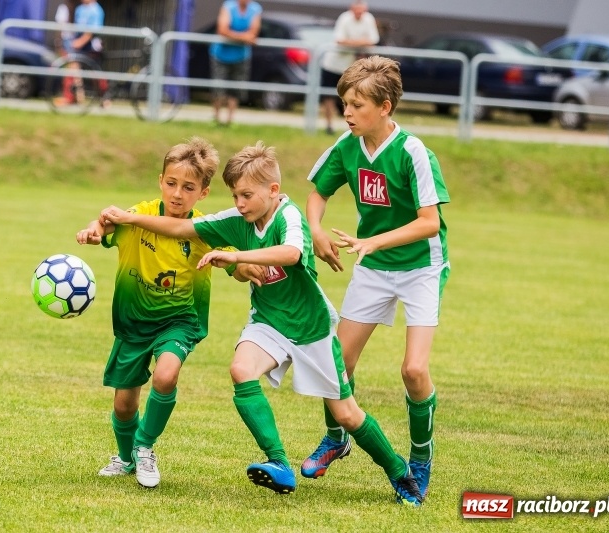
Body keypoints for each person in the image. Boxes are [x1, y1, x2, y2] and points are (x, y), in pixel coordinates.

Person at [99, 141, 423, 505]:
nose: (239, 204)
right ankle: (279, 462)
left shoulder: (288, 217)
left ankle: (400, 473)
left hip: (310, 328)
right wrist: (127, 219)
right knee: (240, 369)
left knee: (347, 415)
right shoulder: (238, 220)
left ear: (273, 191)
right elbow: (178, 230)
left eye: (247, 195)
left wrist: (233, 254)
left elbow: (291, 253)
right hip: (267, 323)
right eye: (235, 195)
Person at [304, 55, 450, 502]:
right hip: (374, 266)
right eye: (344, 103)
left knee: (413, 370)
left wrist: (374, 242)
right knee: (337, 364)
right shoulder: (347, 146)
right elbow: (316, 192)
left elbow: (429, 222)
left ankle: (419, 460)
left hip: (421, 267)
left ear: (385, 107)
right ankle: (336, 438)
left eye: (357, 105)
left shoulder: (414, 153)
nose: (347, 113)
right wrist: (316, 230)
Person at [75, 137, 257, 489]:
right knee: (125, 406)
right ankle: (126, 457)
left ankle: (145, 448)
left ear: (203, 193)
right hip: (133, 323)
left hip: (180, 321)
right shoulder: (140, 215)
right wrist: (94, 231)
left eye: (188, 187)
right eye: (171, 184)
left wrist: (245, 268)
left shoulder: (206, 228)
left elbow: (230, 258)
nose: (177, 194)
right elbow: (108, 222)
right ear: (161, 181)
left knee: (165, 376)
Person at [320, 0, 379, 135]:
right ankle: (329, 126)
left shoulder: (369, 19)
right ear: (352, 8)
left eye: (362, 10)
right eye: (357, 10)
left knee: (353, 97)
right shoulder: (344, 18)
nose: (359, 13)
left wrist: (352, 43)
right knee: (328, 96)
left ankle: (351, 128)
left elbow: (373, 41)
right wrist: (361, 43)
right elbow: (340, 40)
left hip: (351, 68)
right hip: (333, 64)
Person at [208, 0, 262, 127]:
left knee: (236, 90)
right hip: (221, 54)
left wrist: (233, 35)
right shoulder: (229, 6)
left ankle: (230, 121)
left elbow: (254, 32)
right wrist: (244, 37)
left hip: (241, 56)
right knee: (218, 87)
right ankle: (216, 119)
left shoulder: (255, 9)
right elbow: (222, 30)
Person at [54, 0, 110, 108]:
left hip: (91, 47)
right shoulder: (80, 9)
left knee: (95, 73)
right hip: (79, 46)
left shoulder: (96, 10)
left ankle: (105, 97)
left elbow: (91, 32)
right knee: (73, 68)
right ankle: (74, 97)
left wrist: (79, 42)